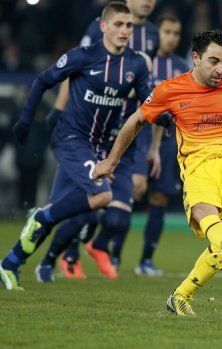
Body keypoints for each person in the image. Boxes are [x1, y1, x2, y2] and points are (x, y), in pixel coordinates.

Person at [92, 29, 222, 316]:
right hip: (198, 164)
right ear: (196, 57)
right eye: (214, 61)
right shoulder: (170, 90)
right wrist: (111, 161)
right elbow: (136, 121)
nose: (220, 69)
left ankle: (180, 295)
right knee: (209, 216)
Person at [0, 2, 153, 290]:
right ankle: (40, 217)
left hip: (98, 146)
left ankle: (10, 263)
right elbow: (44, 80)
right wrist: (25, 119)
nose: (124, 30)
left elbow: (148, 101)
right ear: (103, 27)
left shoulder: (136, 64)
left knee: (59, 210)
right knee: (102, 196)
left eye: (129, 25)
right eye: (118, 24)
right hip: (71, 139)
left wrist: (169, 118)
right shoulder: (84, 56)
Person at [47, 0, 159, 277]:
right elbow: (72, 71)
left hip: (128, 131)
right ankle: (64, 256)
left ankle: (96, 247)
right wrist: (59, 110)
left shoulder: (152, 35)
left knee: (118, 215)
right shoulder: (100, 29)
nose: (148, 1)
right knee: (86, 201)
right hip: (91, 131)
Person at [135, 13, 191, 276]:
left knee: (159, 197)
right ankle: (107, 253)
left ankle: (145, 260)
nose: (171, 38)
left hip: (167, 140)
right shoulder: (141, 61)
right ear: (157, 33)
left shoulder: (183, 68)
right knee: (129, 191)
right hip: (137, 136)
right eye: (167, 31)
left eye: (176, 33)